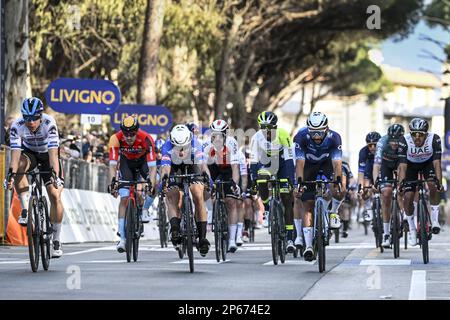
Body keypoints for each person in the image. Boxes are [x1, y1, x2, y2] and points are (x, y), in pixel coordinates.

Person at [5, 97, 65, 258]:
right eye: (27, 118)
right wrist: (11, 174)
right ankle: (25, 209)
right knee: (20, 168)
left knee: (55, 195)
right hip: (29, 153)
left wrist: (55, 175)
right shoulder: (17, 126)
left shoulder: (49, 123)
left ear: (40, 115)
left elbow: (53, 154)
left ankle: (57, 239)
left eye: (34, 118)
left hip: (47, 155)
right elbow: (15, 156)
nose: (30, 122)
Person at [294, 111, 344, 261]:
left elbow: (337, 164)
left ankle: (333, 212)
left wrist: (338, 182)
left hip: (327, 165)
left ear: (326, 129)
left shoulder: (334, 138)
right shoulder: (301, 137)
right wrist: (300, 184)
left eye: (320, 133)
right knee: (307, 203)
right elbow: (300, 164)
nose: (316, 136)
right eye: (313, 132)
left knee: (338, 189)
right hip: (308, 166)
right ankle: (308, 246)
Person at [160, 124, 211, 257]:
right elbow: (165, 168)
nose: (181, 151)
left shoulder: (196, 143)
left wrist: (207, 179)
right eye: (178, 147)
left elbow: (202, 165)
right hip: (174, 167)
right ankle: (175, 228)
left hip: (192, 164)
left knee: (198, 194)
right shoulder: (167, 146)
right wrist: (164, 179)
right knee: (172, 195)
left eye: (184, 147)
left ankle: (203, 238)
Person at [249, 111, 296, 254]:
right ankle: (268, 208)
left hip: (282, 162)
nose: (266, 130)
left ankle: (289, 238)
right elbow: (254, 161)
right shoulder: (256, 138)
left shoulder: (283, 134)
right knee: (261, 177)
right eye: (263, 127)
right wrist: (254, 182)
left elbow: (289, 159)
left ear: (275, 126)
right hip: (266, 162)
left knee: (286, 197)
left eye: (269, 127)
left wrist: (289, 180)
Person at [108, 116, 157, 252]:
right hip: (126, 164)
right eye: (126, 134)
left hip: (143, 163)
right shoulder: (115, 139)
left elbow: (152, 168)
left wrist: (151, 184)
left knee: (156, 183)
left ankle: (145, 209)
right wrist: (113, 183)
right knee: (124, 198)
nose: (129, 137)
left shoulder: (146, 139)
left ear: (137, 131)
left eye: (132, 134)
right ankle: (122, 238)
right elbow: (112, 165)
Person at [398, 118, 443, 246]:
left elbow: (437, 163)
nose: (417, 137)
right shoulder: (404, 140)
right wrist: (401, 183)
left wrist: (439, 181)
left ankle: (434, 221)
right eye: (414, 134)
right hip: (410, 166)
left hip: (427, 164)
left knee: (433, 185)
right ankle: (412, 230)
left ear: (426, 134)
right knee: (408, 196)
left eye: (421, 134)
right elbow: (402, 166)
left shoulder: (434, 139)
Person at [203, 119, 241, 252]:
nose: (217, 138)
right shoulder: (206, 143)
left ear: (225, 134)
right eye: (215, 134)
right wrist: (208, 182)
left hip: (227, 169)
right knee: (203, 193)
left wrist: (234, 184)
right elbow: (203, 166)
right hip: (212, 168)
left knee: (231, 201)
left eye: (220, 135)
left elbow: (235, 167)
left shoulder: (232, 143)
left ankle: (231, 239)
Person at [372, 123, 404, 248]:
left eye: (397, 141)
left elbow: (405, 166)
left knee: (403, 189)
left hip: (401, 164)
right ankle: (386, 233)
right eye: (392, 141)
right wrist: (376, 182)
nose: (394, 144)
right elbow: (376, 165)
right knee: (386, 194)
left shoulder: (405, 142)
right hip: (386, 165)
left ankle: (403, 216)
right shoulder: (382, 142)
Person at [357, 132, 381, 222]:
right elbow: (361, 171)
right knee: (365, 188)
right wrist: (360, 187)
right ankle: (368, 207)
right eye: (370, 145)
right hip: (368, 170)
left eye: (375, 145)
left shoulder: (383, 149)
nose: (372, 148)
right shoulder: (363, 152)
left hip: (381, 170)